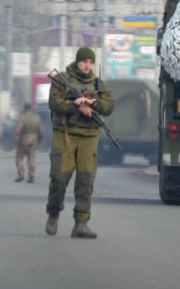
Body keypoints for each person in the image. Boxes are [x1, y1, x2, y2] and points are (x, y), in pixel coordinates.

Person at [45, 46, 114, 239]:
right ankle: (53, 214)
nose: (87, 65)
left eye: (91, 62)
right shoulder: (61, 80)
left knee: (86, 180)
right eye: (84, 61)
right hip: (64, 134)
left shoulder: (99, 84)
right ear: (77, 61)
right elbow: (53, 102)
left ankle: (81, 223)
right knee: (59, 177)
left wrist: (93, 104)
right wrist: (77, 108)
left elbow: (109, 106)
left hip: (89, 137)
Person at [14, 103, 42, 183]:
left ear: (24, 109)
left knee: (19, 158)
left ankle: (21, 174)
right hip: (33, 141)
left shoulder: (23, 117)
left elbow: (17, 130)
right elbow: (41, 131)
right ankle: (31, 176)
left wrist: (15, 139)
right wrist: (39, 140)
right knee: (31, 159)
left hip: (23, 141)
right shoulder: (37, 118)